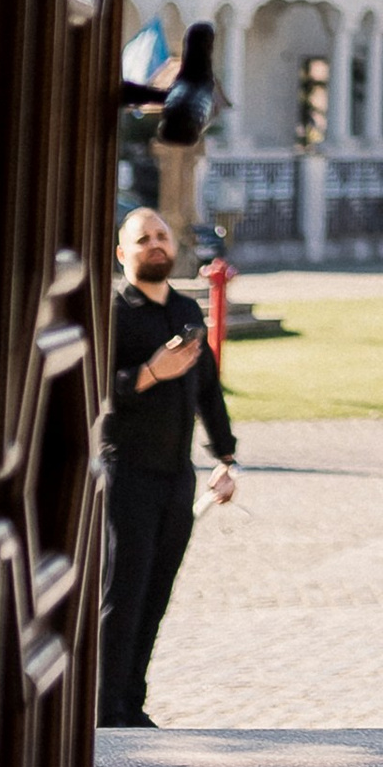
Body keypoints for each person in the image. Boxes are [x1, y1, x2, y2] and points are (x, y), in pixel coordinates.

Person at [101, 208, 237, 728]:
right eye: (143, 239)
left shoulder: (185, 310)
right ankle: (104, 706)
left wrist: (225, 457)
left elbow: (208, 390)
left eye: (161, 236)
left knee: (157, 594)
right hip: (125, 475)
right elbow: (94, 393)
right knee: (124, 594)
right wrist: (151, 372)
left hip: (176, 478)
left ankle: (131, 704)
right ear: (122, 253)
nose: (156, 245)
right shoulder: (113, 312)